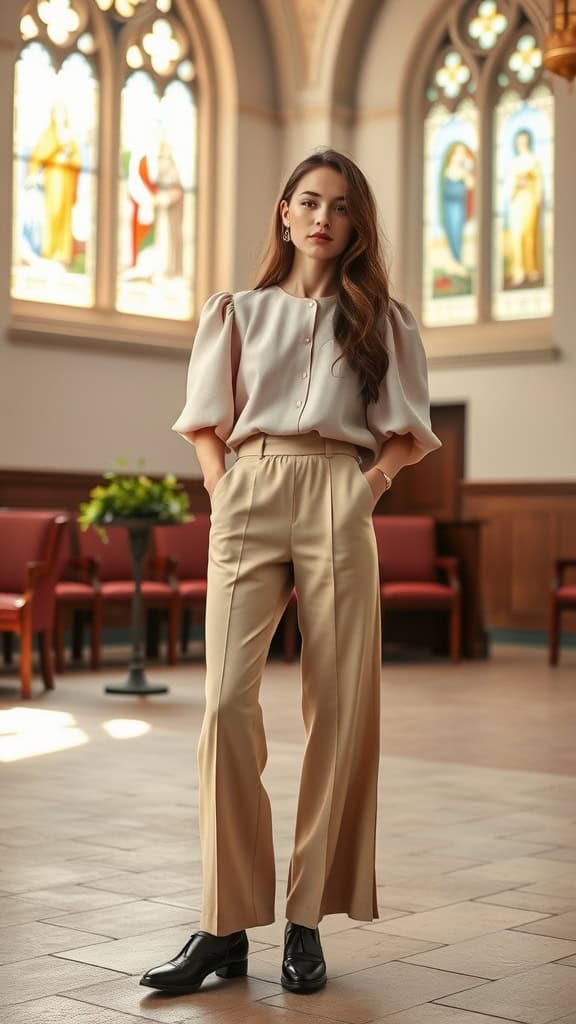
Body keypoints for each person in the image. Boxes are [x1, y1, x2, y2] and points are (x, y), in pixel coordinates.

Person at [140, 148, 441, 996]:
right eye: (308, 202)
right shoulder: (236, 312)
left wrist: (368, 488)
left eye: (340, 207)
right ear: (283, 212)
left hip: (340, 493)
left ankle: (305, 920)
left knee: (339, 706)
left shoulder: (382, 320)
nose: (321, 218)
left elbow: (407, 430)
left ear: (355, 225)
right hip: (249, 486)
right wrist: (224, 486)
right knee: (225, 703)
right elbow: (205, 419)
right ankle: (223, 924)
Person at [507, 128, 543, 287]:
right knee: (516, 235)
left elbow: (538, 182)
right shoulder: (514, 163)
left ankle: (532, 270)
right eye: (519, 141)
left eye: (525, 141)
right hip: (516, 202)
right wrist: (516, 185)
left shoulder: (534, 160)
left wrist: (529, 182)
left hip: (529, 200)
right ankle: (518, 272)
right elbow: (509, 185)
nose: (522, 144)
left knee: (529, 234)